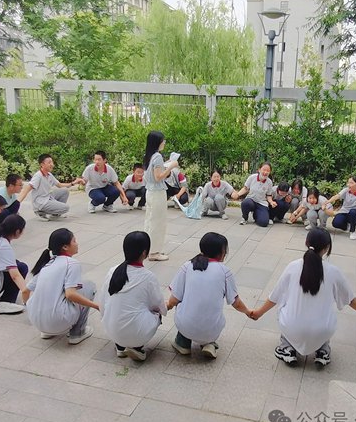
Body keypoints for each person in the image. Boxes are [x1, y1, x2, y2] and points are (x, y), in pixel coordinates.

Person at [250, 228, 356, 366]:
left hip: (293, 328)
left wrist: (258, 313)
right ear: (327, 248)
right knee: (326, 316)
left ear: (306, 242)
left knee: (284, 307)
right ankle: (323, 351)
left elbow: (275, 296)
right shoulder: (334, 272)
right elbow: (350, 299)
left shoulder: (292, 267)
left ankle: (287, 348)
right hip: (322, 331)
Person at [167, 232, 252, 359]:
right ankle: (209, 343)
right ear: (222, 252)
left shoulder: (187, 266)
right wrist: (248, 312)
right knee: (212, 317)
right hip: (212, 330)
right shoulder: (225, 271)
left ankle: (182, 343)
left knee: (183, 307)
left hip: (185, 326)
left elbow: (174, 299)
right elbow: (236, 302)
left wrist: (166, 306)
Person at [97, 231, 167, 361]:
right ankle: (137, 347)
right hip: (135, 334)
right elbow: (159, 306)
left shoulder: (113, 270)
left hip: (112, 330)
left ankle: (120, 346)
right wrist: (164, 309)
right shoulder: (148, 276)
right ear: (144, 253)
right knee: (157, 313)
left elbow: (103, 301)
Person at [25, 228, 98, 344]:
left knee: (59, 289)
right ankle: (77, 333)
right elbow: (70, 294)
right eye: (74, 241)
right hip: (58, 322)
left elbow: (25, 291)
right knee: (88, 286)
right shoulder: (72, 263)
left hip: (37, 322)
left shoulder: (47, 263)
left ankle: (47, 331)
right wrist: (97, 306)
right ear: (65, 247)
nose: (77, 244)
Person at [143, 131, 179, 261]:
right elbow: (158, 177)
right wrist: (171, 166)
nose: (164, 142)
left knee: (150, 221)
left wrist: (167, 164)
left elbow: (153, 173)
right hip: (157, 193)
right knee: (158, 222)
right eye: (163, 140)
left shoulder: (149, 155)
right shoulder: (157, 156)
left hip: (150, 191)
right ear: (157, 142)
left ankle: (148, 249)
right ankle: (154, 252)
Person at [17, 153, 83, 221]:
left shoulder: (49, 174)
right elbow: (26, 189)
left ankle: (55, 214)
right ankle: (40, 212)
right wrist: (17, 204)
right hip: (41, 202)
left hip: (48, 197)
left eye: (52, 162)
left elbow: (59, 185)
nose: (52, 164)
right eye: (49, 162)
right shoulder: (38, 176)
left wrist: (73, 183)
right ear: (42, 164)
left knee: (64, 191)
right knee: (66, 208)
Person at [235, 162, 274, 227]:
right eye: (264, 170)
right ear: (259, 170)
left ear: (270, 172)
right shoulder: (252, 177)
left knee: (264, 223)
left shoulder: (269, 182)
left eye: (268, 171)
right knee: (246, 203)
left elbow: (268, 195)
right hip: (251, 200)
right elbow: (246, 188)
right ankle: (245, 218)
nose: (265, 172)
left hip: (261, 203)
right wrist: (238, 194)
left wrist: (271, 202)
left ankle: (256, 214)